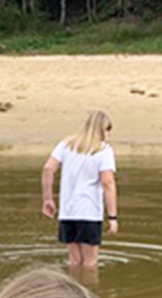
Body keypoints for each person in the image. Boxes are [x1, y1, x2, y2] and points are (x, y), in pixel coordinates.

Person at [41, 110, 118, 270]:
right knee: (90, 264)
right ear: (103, 130)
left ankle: (73, 291)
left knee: (74, 262)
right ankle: (89, 291)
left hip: (68, 212)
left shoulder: (66, 144)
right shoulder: (103, 150)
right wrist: (112, 216)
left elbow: (48, 168)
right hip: (89, 212)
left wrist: (48, 199)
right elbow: (108, 183)